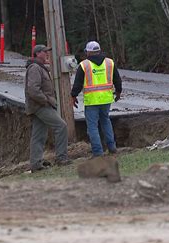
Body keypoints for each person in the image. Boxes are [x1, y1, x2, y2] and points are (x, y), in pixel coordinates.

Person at [71, 41, 122, 157]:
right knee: (105, 121)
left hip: (92, 101)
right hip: (106, 99)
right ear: (99, 50)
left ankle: (98, 152)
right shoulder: (110, 63)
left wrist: (73, 96)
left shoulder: (84, 65)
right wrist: (118, 92)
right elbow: (117, 80)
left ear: (88, 52)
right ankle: (112, 147)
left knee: (92, 127)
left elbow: (78, 84)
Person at [25, 44, 71, 172]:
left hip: (38, 105)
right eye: (45, 52)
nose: (47, 54)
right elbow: (33, 89)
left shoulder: (39, 67)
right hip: (40, 106)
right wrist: (45, 101)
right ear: (38, 53)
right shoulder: (35, 68)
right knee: (61, 126)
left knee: (38, 134)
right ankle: (61, 158)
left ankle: (36, 164)